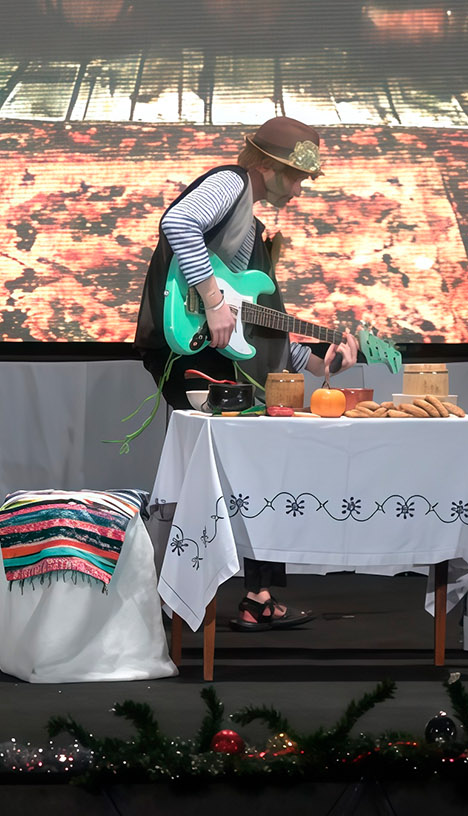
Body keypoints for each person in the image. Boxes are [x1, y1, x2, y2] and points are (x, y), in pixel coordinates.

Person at [133, 115, 360, 633]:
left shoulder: (251, 229)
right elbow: (178, 222)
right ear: (269, 165)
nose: (299, 190)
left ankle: (252, 596)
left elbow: (256, 332)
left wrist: (321, 363)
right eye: (296, 177)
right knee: (224, 477)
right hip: (197, 358)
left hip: (219, 360)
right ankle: (174, 601)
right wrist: (213, 301)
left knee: (254, 474)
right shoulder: (231, 183)